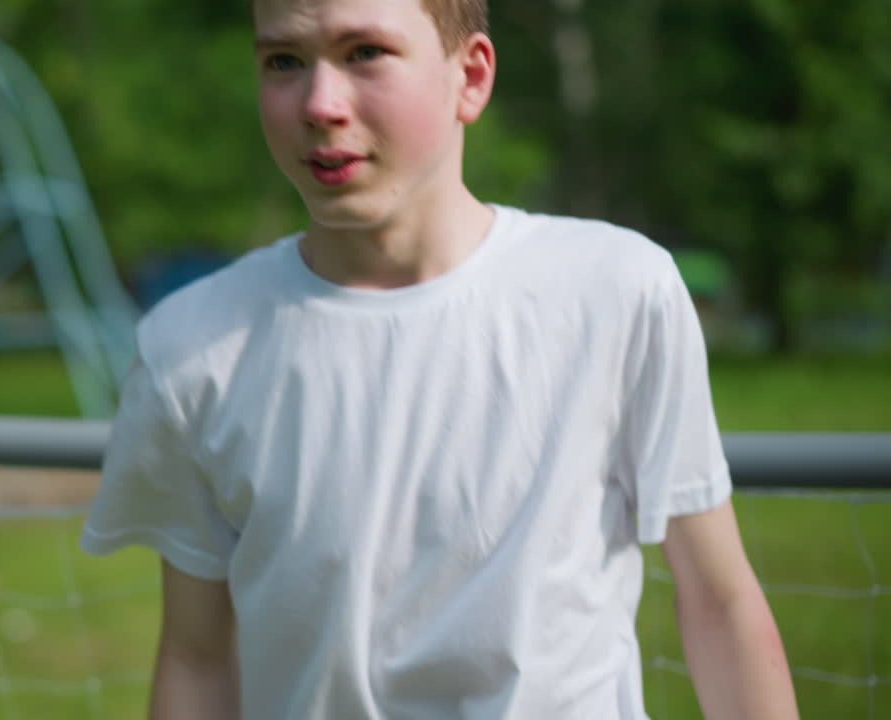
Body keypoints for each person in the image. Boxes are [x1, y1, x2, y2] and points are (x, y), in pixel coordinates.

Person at [80, 0, 800, 717]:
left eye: (365, 52)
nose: (321, 103)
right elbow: (197, 659)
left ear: (472, 77)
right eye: (284, 61)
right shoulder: (190, 348)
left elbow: (718, 604)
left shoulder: (616, 292)